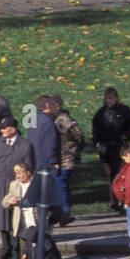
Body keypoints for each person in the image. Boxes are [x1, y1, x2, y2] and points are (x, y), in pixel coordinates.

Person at [0, 116, 33, 259]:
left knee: (15, 218)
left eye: (4, 128)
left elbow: (29, 166)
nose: (1, 130)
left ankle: (16, 250)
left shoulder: (25, 145)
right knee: (2, 217)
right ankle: (5, 248)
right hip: (0, 184)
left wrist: (25, 184)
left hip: (16, 184)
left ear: (12, 129)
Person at [92, 87, 130, 211]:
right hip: (105, 147)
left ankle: (121, 200)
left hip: (119, 146)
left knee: (119, 173)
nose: (110, 101)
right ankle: (113, 200)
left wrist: (126, 136)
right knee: (110, 174)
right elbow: (95, 129)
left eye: (112, 98)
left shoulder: (124, 110)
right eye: (107, 98)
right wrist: (97, 143)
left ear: (117, 98)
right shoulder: (101, 112)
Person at [49, 96, 84, 224]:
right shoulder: (53, 119)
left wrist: (74, 147)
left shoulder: (63, 119)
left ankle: (63, 213)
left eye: (51, 105)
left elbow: (79, 134)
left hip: (66, 158)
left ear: (58, 106)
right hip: (62, 157)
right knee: (63, 185)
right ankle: (62, 212)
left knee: (61, 184)